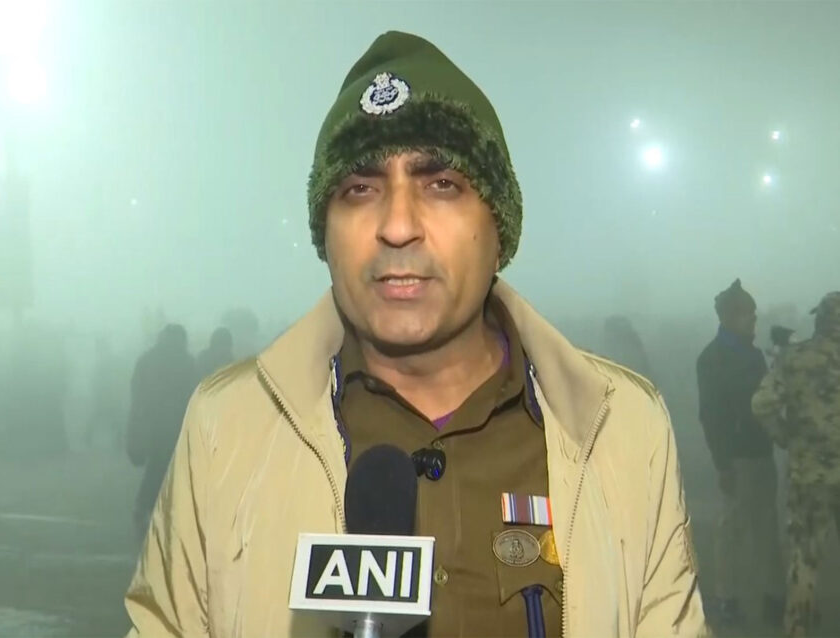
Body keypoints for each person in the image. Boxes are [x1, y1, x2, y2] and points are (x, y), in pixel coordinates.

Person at [124, 31, 707, 637]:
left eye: (441, 184)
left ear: (501, 229)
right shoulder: (227, 428)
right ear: (325, 234)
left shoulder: (623, 430)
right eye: (359, 189)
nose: (398, 225)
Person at [696, 279, 784, 627]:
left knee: (765, 528)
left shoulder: (753, 355)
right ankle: (729, 599)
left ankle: (773, 597)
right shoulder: (713, 359)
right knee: (732, 531)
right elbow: (711, 416)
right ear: (730, 317)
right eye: (749, 314)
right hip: (737, 459)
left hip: (760, 455)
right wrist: (723, 465)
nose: (754, 320)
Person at [752, 292, 840, 637]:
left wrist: (785, 436)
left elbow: (762, 404)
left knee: (804, 558)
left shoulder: (795, 358)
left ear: (820, 320)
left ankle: (798, 628)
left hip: (808, 475)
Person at [126, 324, 197, 540]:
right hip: (174, 424)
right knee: (168, 468)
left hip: (154, 424)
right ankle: (162, 510)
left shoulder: (148, 360)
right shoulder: (186, 362)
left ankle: (146, 506)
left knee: (158, 467)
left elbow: (137, 392)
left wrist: (137, 420)